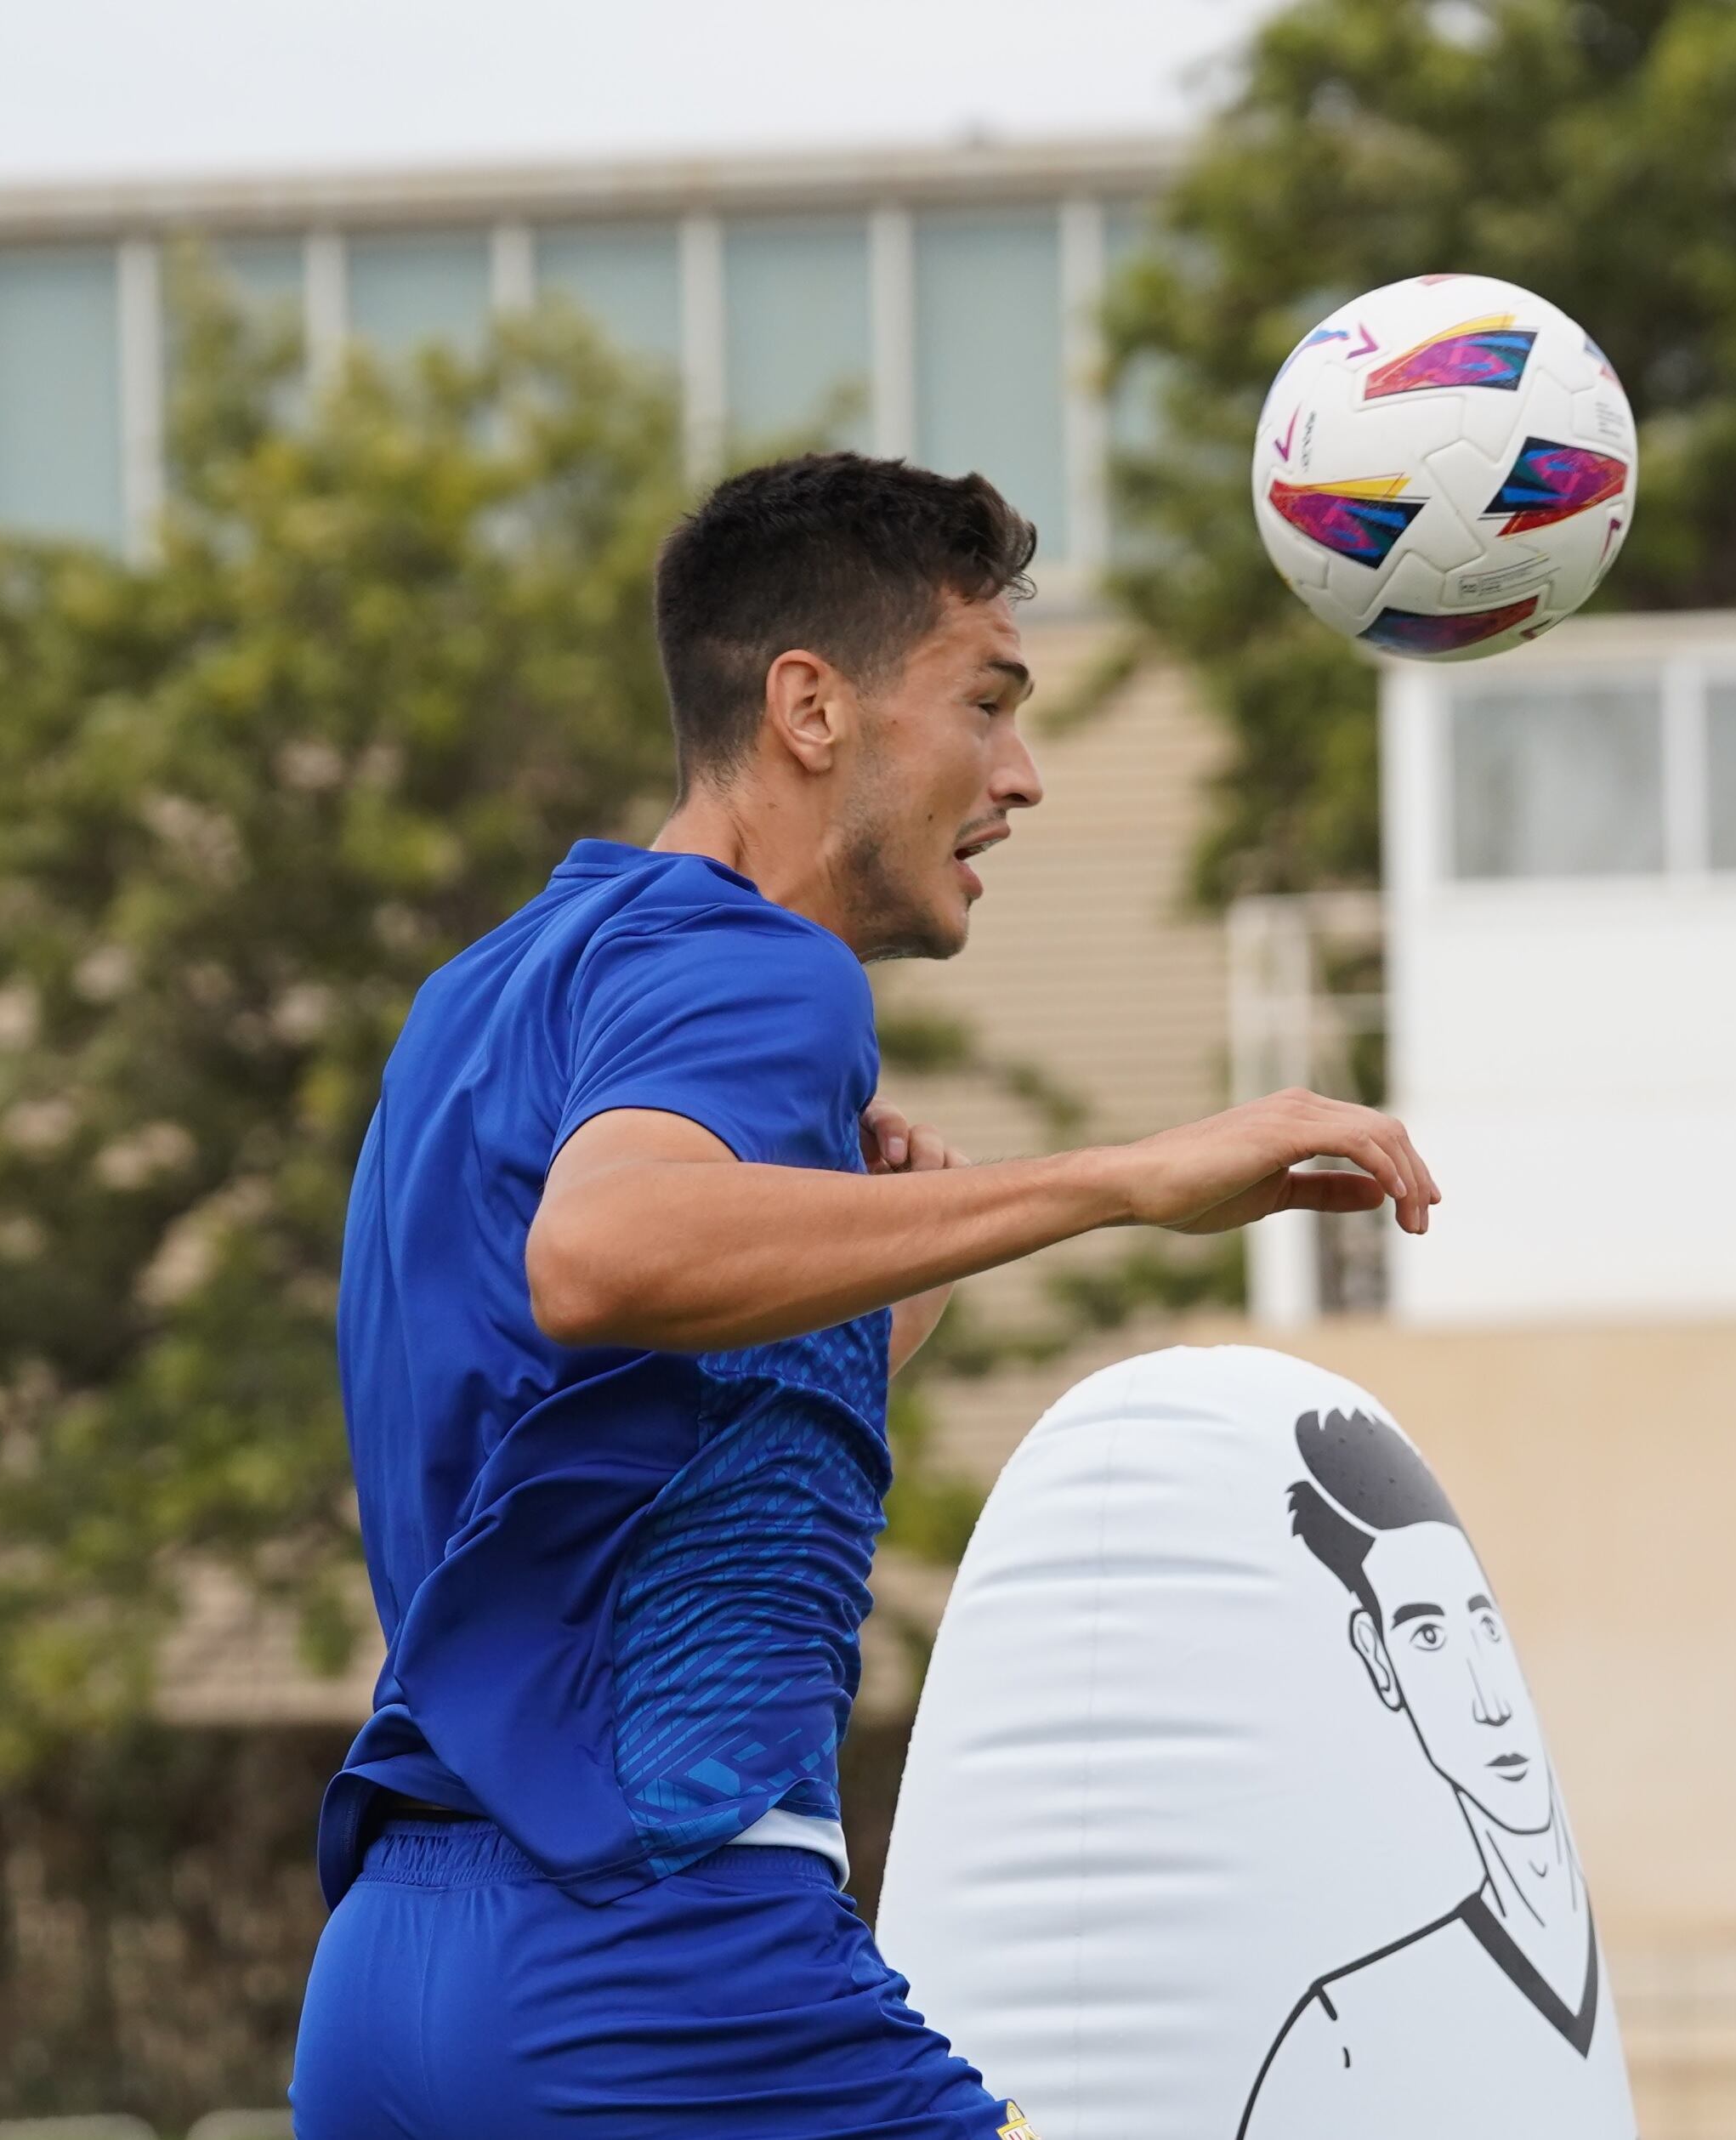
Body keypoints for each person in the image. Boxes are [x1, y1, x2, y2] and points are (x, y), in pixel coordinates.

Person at [289, 452, 1439, 2140]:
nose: (1017, 773)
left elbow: (579, 1426)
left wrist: (873, 1302)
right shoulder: (764, 969)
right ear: (808, 708)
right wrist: (1115, 1178)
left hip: (390, 1985)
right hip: (662, 1964)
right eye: (984, 701)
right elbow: (601, 1258)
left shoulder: (483, 998)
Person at [1237, 1407, 1637, 2140]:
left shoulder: (1581, 1981)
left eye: (1483, 1623)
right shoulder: (1342, 2033)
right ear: (1377, 1657)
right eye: (1427, 1634)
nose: (1488, 1702)